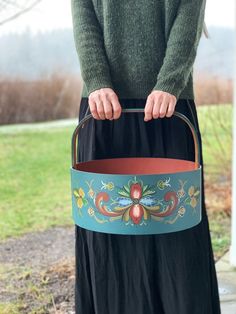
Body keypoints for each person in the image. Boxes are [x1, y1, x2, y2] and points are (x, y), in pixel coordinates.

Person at [71, 0, 221, 313]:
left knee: (177, 239)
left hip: (169, 107)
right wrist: (97, 80)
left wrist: (170, 82)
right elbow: (83, 15)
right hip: (102, 109)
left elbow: (189, 17)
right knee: (107, 237)